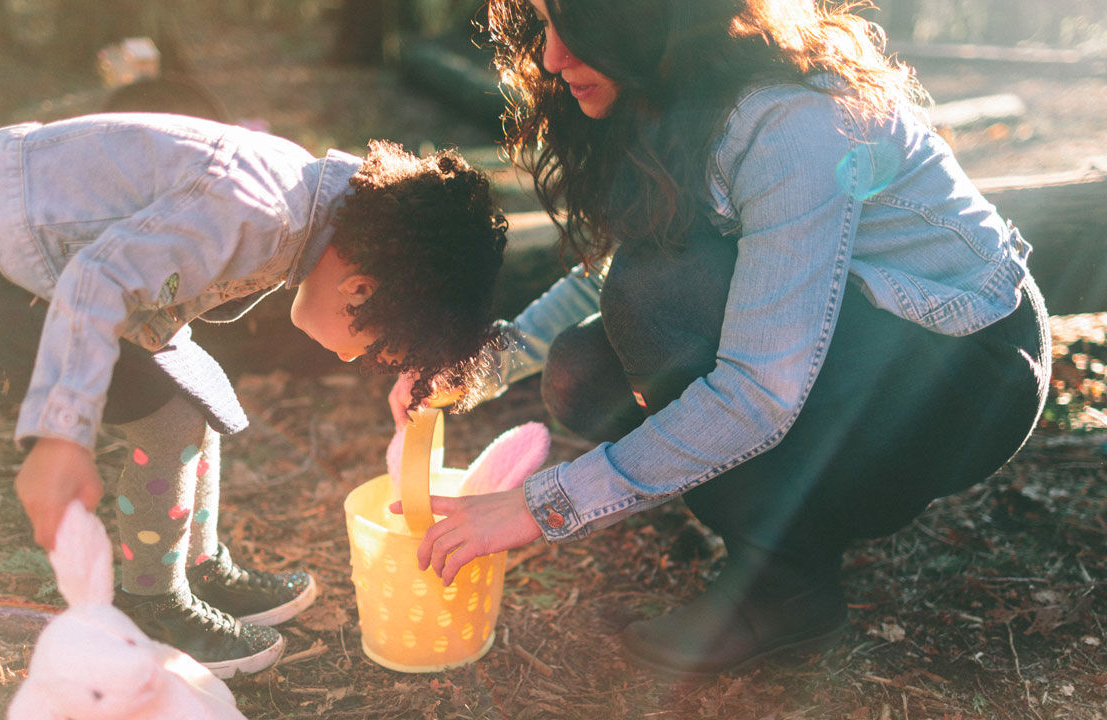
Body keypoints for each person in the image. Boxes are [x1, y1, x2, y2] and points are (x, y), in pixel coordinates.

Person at [388, 0, 1051, 677]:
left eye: (577, 24)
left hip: (964, 374)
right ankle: (781, 534)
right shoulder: (666, 94)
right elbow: (607, 278)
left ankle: (783, 586)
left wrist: (544, 505)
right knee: (583, 370)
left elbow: (757, 390)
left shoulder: (791, 121)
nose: (553, 58)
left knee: (656, 296)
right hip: (856, 349)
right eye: (542, 24)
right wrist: (482, 365)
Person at [0, 112, 508, 678]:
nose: (359, 359)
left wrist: (427, 366)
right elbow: (97, 278)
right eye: (378, 346)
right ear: (358, 289)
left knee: (192, 389)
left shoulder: (315, 206)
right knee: (165, 414)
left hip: (32, 252)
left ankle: (194, 568)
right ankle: (151, 601)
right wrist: (61, 435)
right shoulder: (257, 213)